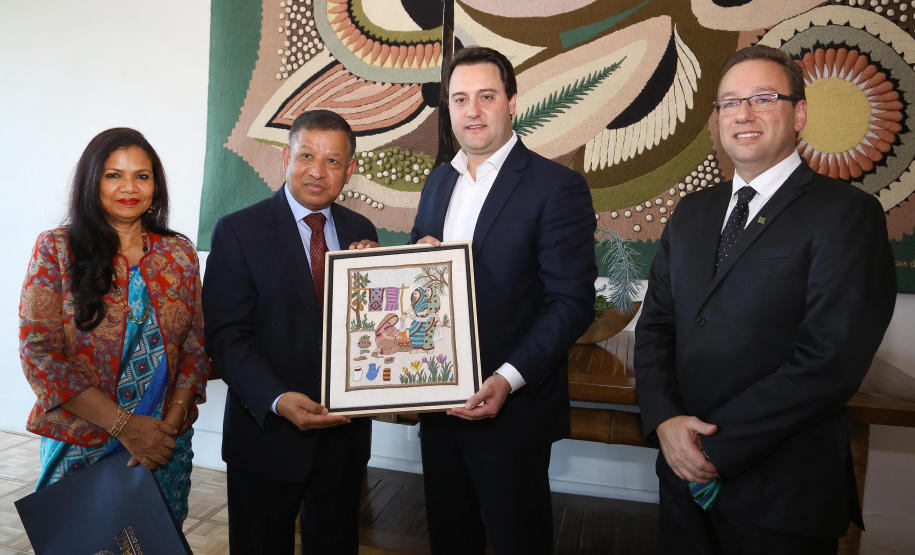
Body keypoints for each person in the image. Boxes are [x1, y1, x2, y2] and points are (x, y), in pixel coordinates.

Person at [634, 45, 897, 554]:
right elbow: (656, 327)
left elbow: (830, 361)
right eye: (729, 103)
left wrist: (714, 445)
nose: (743, 115)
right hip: (680, 479)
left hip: (782, 492)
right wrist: (666, 422)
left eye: (762, 98)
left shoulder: (847, 215)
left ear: (799, 112)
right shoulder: (691, 213)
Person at [409, 46, 597, 554]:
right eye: (460, 99)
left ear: (512, 101)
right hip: (439, 405)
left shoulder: (557, 187)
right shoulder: (438, 181)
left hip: (512, 410)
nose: (472, 110)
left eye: (486, 96)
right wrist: (417, 259)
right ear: (447, 110)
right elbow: (422, 287)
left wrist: (507, 378)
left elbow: (572, 302)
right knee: (450, 539)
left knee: (520, 541)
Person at [202, 110, 378, 554]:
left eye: (333, 161)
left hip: (343, 439)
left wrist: (376, 277)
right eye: (307, 156)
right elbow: (226, 336)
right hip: (266, 436)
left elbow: (369, 332)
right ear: (286, 157)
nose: (318, 172)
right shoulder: (238, 231)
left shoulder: (362, 232)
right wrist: (278, 400)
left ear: (350, 169)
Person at [19, 127, 208, 524]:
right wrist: (124, 426)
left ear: (156, 186)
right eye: (113, 174)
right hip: (82, 439)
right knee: (83, 541)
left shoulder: (178, 253)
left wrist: (165, 432)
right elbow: (40, 354)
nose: (130, 187)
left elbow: (194, 347)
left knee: (153, 543)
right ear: (92, 180)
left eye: (142, 175)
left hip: (163, 445)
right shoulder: (56, 248)